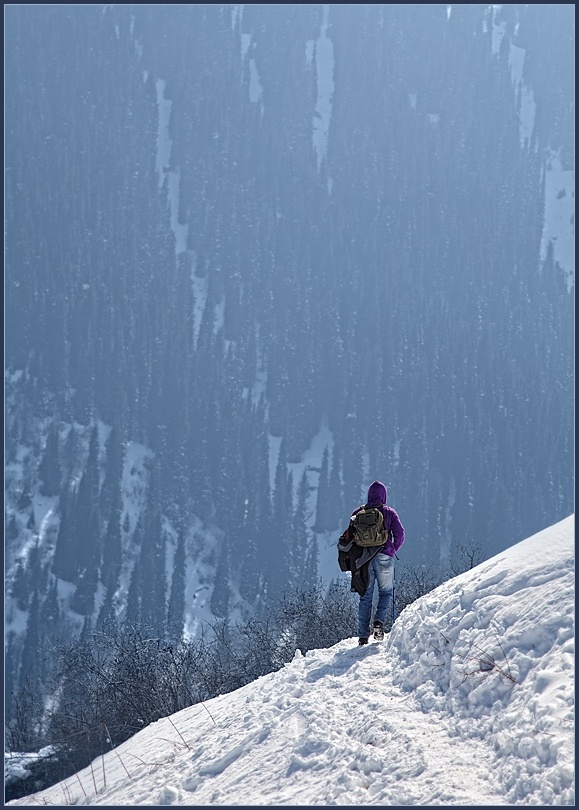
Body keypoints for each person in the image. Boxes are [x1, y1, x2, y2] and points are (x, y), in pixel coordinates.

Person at [338, 480, 405, 646]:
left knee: (365, 597)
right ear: (384, 496)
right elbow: (400, 534)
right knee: (386, 592)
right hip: (384, 557)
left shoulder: (358, 512)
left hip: (364, 561)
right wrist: (392, 550)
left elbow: (350, 538)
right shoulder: (389, 512)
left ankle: (362, 636)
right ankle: (378, 623)